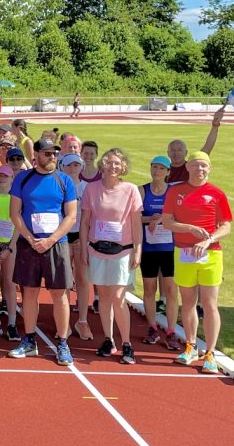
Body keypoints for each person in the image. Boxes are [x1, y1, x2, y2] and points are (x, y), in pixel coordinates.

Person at [7, 138, 77, 366]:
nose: (52, 157)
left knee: (60, 294)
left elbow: (71, 216)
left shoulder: (64, 180)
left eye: (54, 153)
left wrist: (50, 240)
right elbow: (15, 213)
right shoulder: (23, 179)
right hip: (29, 244)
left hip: (56, 244)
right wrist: (31, 239)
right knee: (29, 292)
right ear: (36, 155)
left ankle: (63, 343)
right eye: (47, 153)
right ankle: (29, 340)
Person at [161, 151, 233, 374]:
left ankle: (210, 353)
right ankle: (190, 346)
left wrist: (209, 239)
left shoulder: (217, 193)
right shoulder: (176, 192)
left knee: (210, 304)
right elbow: (167, 222)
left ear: (209, 169)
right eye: (195, 165)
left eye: (203, 166)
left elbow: (226, 226)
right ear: (188, 167)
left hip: (211, 255)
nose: (199, 169)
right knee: (188, 301)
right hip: (184, 253)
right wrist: (190, 229)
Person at [80, 148, 144, 365]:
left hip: (122, 251)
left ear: (123, 166)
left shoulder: (131, 190)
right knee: (104, 296)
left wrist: (137, 250)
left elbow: (136, 224)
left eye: (117, 163)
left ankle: (127, 343)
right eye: (109, 162)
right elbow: (85, 222)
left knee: (118, 296)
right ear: (102, 165)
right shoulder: (91, 189)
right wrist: (84, 249)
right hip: (97, 249)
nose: (113, 167)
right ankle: (108, 339)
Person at [139, 156, 182, 351]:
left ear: (168, 172)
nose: (157, 171)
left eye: (161, 168)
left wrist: (163, 220)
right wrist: (151, 219)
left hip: (169, 249)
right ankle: (153, 327)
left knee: (171, 290)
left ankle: (171, 331)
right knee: (149, 289)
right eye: (154, 167)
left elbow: (179, 218)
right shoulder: (142, 191)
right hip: (148, 248)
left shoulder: (173, 192)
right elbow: (134, 218)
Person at [59, 153, 93, 340]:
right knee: (64, 280)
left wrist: (85, 237)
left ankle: (82, 320)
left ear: (81, 167)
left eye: (76, 165)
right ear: (62, 167)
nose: (73, 168)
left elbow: (91, 215)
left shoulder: (87, 188)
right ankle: (63, 321)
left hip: (81, 237)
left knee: (82, 279)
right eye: (69, 165)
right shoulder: (59, 185)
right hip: (62, 237)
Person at [0, 165, 18, 340]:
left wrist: (10, 247)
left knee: (10, 283)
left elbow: (18, 224)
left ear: (12, 178)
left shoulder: (16, 197)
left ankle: (12, 323)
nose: (2, 179)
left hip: (9, 245)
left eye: (6, 176)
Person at [166, 107, 225, 184]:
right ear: (168, 153)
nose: (176, 153)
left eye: (179, 150)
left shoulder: (192, 167)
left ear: (186, 152)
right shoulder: (162, 170)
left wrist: (215, 126)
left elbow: (208, 147)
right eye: (173, 150)